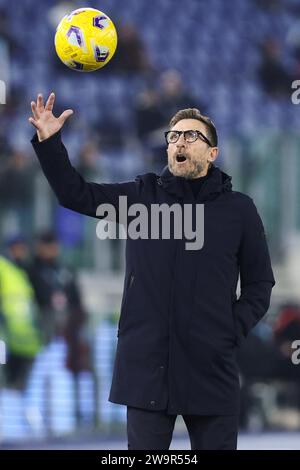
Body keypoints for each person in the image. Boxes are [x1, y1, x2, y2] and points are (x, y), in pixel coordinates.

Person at [29, 92, 275, 450]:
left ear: (212, 153)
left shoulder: (239, 210)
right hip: (147, 366)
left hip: (210, 367)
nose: (179, 141)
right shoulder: (142, 196)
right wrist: (50, 143)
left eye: (191, 136)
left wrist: (229, 329)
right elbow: (75, 194)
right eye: (173, 136)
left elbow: (259, 282)